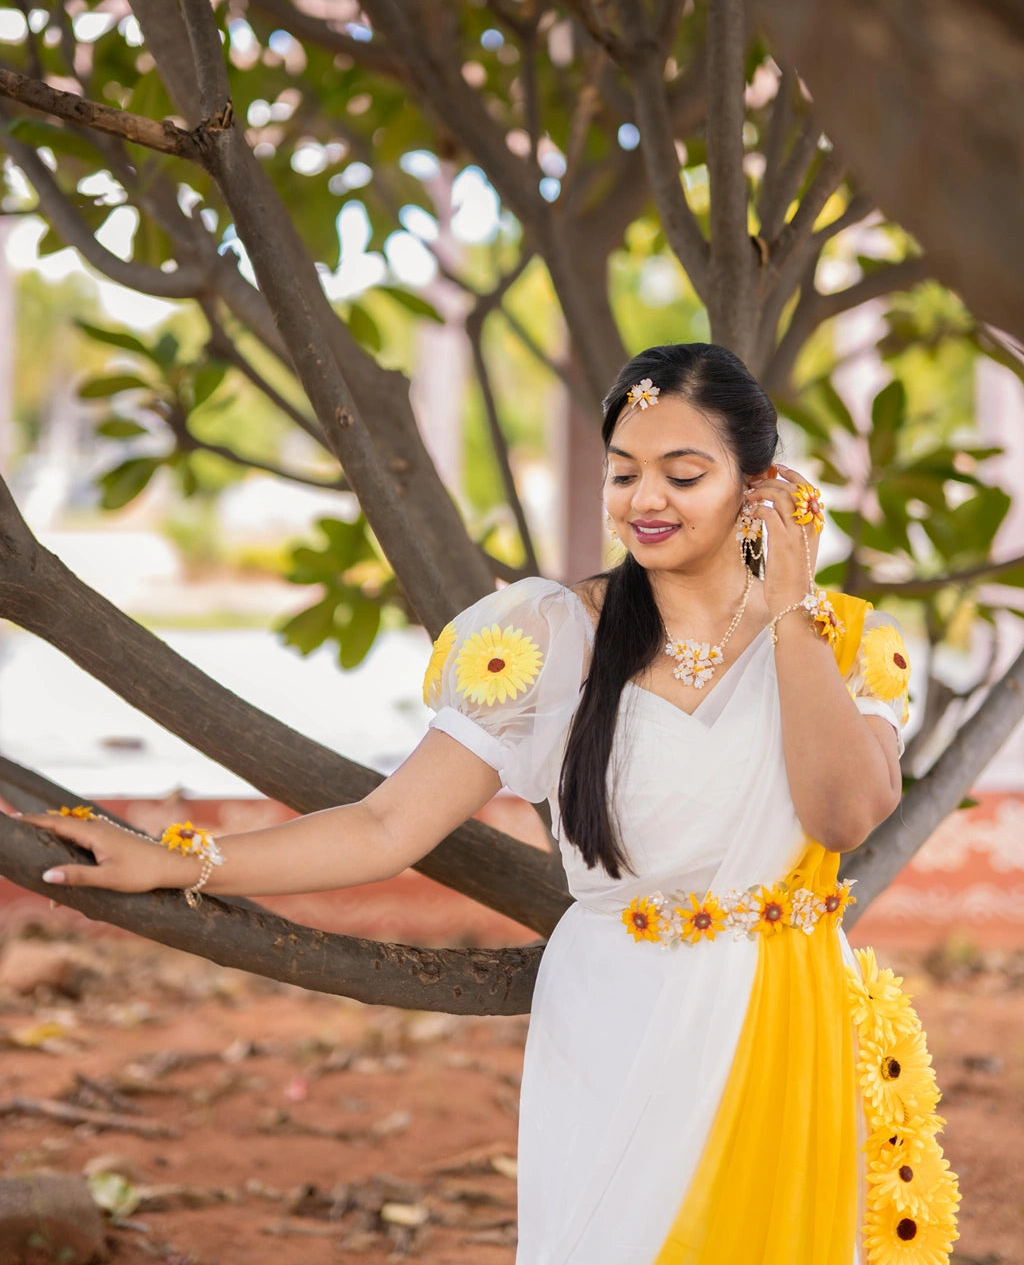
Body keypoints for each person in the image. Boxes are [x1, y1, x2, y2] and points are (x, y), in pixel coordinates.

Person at [16, 343, 959, 1265]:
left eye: (684, 473)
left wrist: (790, 608)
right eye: (623, 474)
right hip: (616, 1022)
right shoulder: (555, 638)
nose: (646, 501)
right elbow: (389, 825)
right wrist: (185, 860)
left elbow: (844, 817)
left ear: (761, 486)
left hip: (786, 1024)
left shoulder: (843, 646)